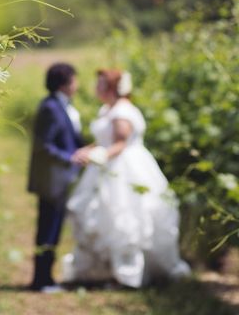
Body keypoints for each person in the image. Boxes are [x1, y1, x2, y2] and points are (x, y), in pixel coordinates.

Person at [62, 69, 191, 288]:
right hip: (107, 165)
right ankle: (107, 270)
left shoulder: (121, 112)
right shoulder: (108, 110)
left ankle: (128, 274)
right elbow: (105, 139)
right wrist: (88, 150)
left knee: (125, 215)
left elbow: (120, 143)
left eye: (101, 84)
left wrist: (97, 156)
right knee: (103, 215)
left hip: (124, 167)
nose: (96, 88)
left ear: (112, 88)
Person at [27, 63, 89, 292]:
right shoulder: (50, 108)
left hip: (61, 179)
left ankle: (47, 278)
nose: (77, 84)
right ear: (65, 83)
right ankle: (40, 280)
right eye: (75, 80)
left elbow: (70, 139)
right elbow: (43, 146)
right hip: (51, 179)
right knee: (47, 229)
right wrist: (70, 158)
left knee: (53, 229)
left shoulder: (61, 106)